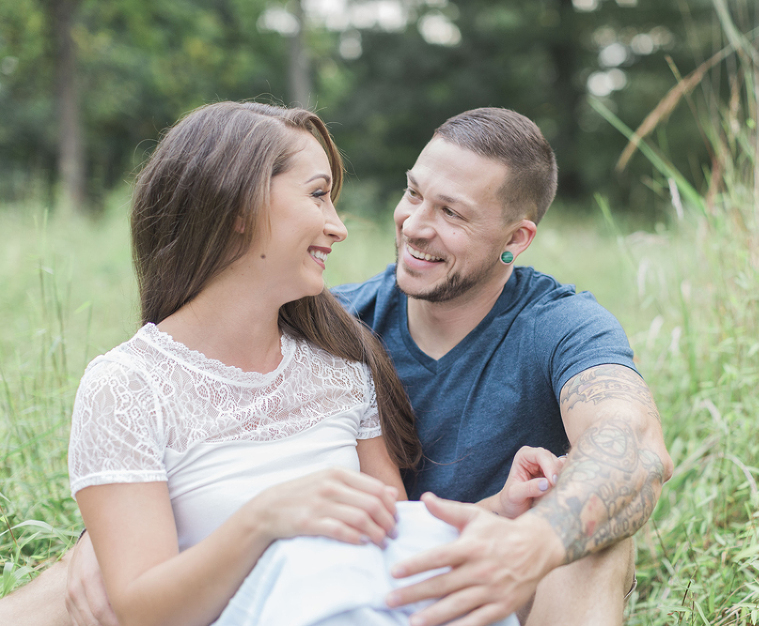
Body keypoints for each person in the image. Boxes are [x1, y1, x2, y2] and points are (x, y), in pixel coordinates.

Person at [1, 107, 672, 626]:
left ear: (515, 240)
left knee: (593, 530)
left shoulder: (558, 325)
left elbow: (633, 447)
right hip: (298, 577)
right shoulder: (332, 322)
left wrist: (530, 534)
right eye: (413, 194)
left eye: (451, 213)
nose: (412, 224)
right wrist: (99, 541)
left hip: (437, 575)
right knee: (73, 581)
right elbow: (176, 441)